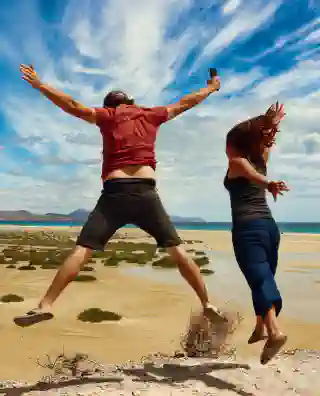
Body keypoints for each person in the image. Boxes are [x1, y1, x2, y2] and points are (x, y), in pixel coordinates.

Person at [14, 63, 227, 328]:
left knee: (82, 250)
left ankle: (46, 304)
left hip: (114, 194)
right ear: (131, 101)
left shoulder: (108, 115)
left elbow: (72, 105)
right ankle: (207, 303)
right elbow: (186, 102)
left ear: (110, 106)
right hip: (146, 193)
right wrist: (211, 87)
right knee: (178, 251)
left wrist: (40, 84)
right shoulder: (150, 114)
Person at [224, 102, 289, 365]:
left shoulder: (238, 162)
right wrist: (271, 123)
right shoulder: (262, 158)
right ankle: (260, 328)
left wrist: (269, 183)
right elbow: (266, 143)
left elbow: (252, 176)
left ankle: (274, 331)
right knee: (261, 278)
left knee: (260, 279)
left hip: (248, 229)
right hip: (269, 229)